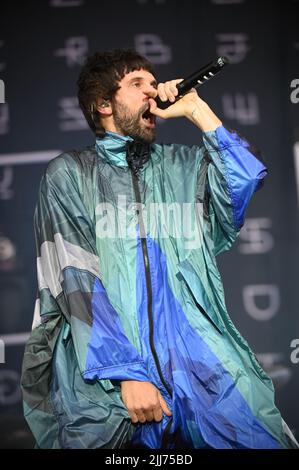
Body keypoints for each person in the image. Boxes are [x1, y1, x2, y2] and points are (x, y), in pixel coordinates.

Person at [21, 48, 297, 449]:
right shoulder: (68, 175)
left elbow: (246, 176)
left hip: (204, 371)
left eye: (155, 84)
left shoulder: (186, 166)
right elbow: (74, 279)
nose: (153, 92)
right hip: (107, 383)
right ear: (103, 104)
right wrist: (128, 374)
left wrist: (197, 110)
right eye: (137, 85)